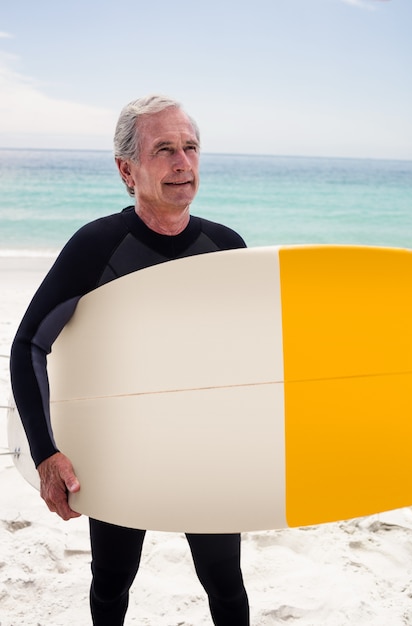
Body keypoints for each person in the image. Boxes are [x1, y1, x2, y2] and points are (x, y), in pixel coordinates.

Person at [10, 95, 250, 625]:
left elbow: (250, 362)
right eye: (163, 149)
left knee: (225, 582)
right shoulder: (96, 246)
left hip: (203, 449)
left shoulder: (228, 247)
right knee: (114, 578)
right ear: (127, 168)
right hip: (121, 447)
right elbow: (29, 345)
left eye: (190, 147)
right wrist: (47, 454)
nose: (182, 163)